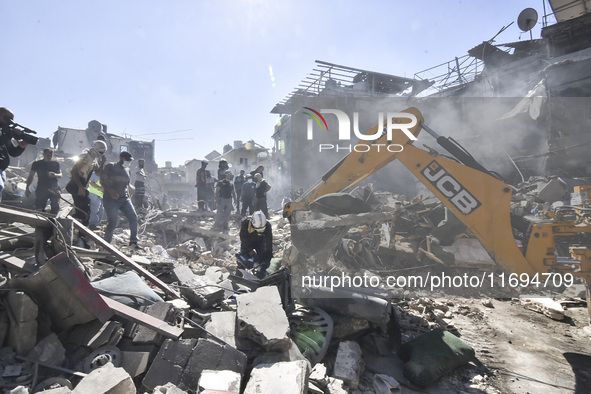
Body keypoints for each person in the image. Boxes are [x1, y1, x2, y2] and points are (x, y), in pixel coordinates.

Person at [101, 151, 139, 247]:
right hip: (110, 200)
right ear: (121, 158)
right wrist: (111, 190)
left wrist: (130, 198)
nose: (128, 162)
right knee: (113, 222)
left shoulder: (128, 170)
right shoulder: (111, 166)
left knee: (133, 217)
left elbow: (126, 186)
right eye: (127, 160)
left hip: (124, 199)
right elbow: (102, 181)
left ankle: (134, 242)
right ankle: (106, 245)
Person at [66, 140, 107, 226]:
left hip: (83, 184)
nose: (101, 154)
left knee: (85, 211)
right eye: (101, 152)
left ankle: (76, 229)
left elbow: (97, 173)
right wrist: (80, 187)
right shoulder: (85, 156)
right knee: (83, 212)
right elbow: (74, 171)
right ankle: (71, 227)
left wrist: (103, 163)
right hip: (76, 184)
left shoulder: (94, 159)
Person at [0, 107, 28, 202]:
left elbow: (12, 152)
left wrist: (21, 147)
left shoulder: (4, 133)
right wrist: (8, 135)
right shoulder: (4, 134)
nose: (10, 122)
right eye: (7, 118)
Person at [25, 148, 62, 214]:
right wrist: (27, 187)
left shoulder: (55, 164)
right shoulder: (37, 164)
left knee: (55, 206)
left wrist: (55, 175)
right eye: (47, 155)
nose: (49, 157)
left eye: (50, 155)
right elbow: (31, 176)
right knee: (40, 207)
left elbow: (60, 174)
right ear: (44, 154)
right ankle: (39, 222)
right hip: (41, 188)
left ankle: (53, 222)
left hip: (54, 188)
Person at [238, 211, 273, 278]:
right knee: (244, 258)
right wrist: (250, 250)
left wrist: (269, 256)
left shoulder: (267, 225)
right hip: (248, 241)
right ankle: (239, 273)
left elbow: (268, 242)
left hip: (260, 241)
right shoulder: (245, 223)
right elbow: (243, 238)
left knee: (263, 258)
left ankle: (261, 275)